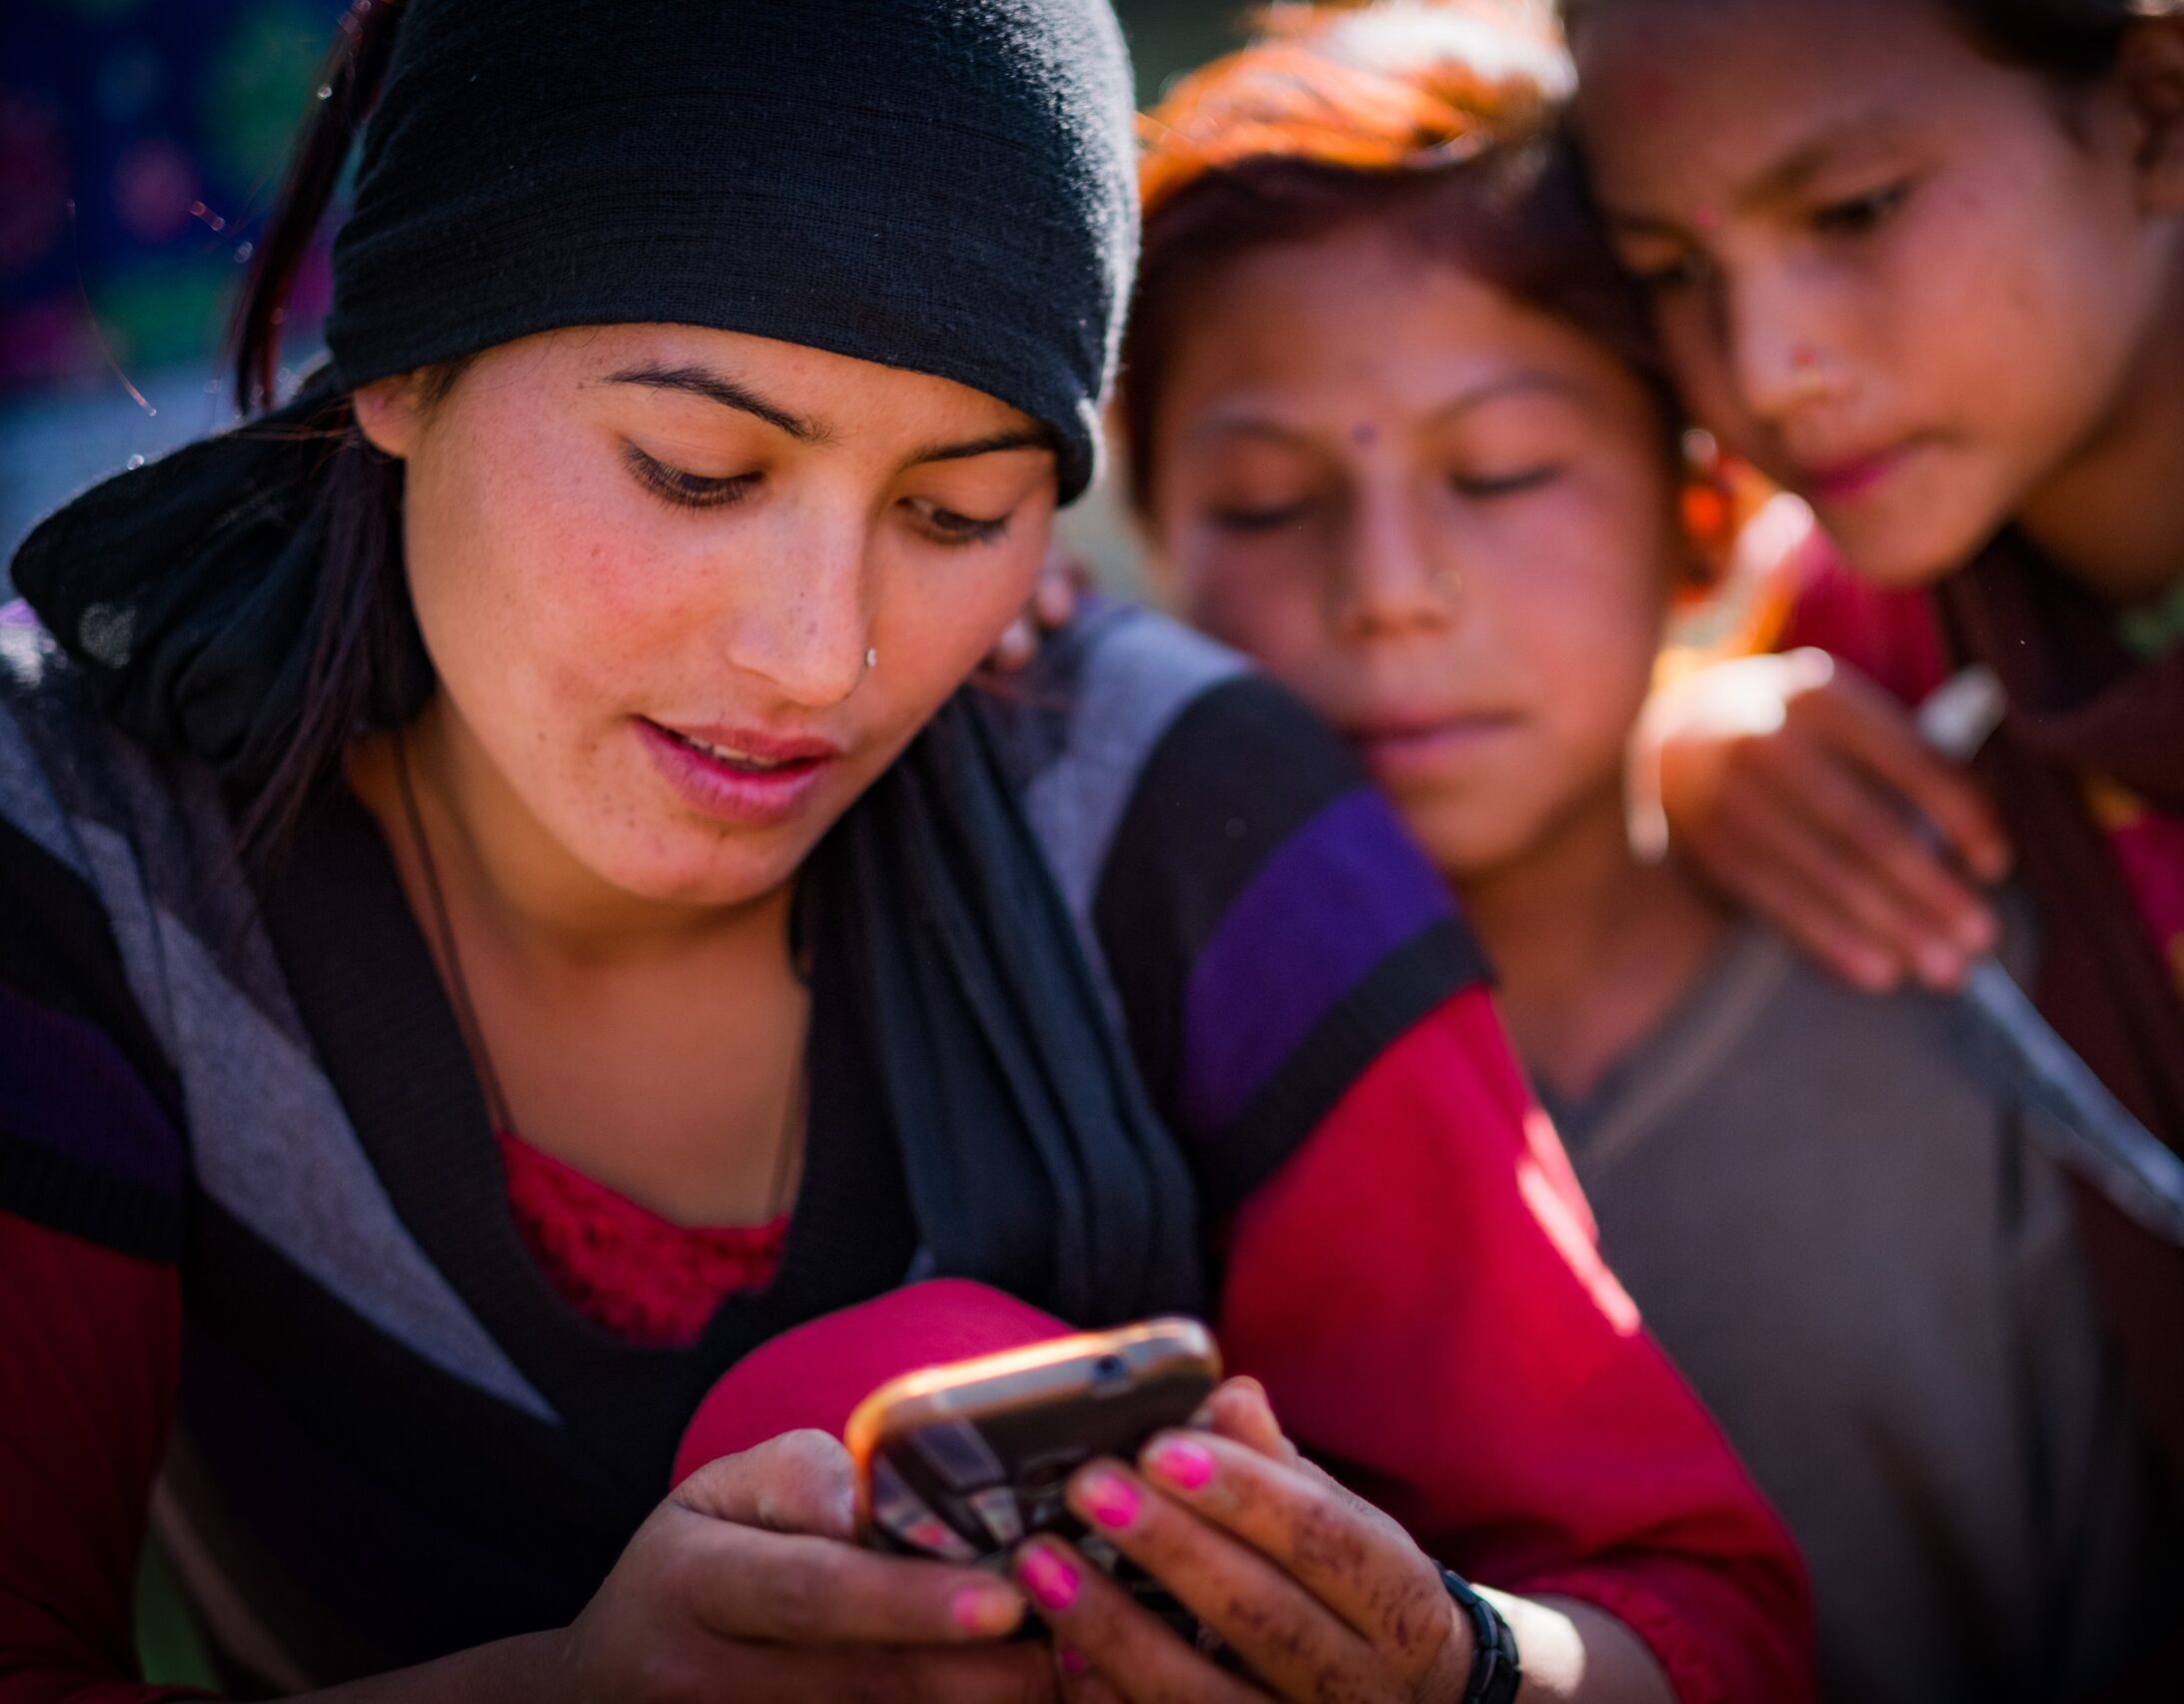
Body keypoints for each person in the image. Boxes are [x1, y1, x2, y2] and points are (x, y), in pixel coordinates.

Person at [0, 2, 1817, 1701]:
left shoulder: (1169, 805)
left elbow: (1699, 1609)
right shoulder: (77, 855)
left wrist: (1459, 1664)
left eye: (957, 511)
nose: (819, 656)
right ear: (401, 364)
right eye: (698, 470)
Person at [1117, 7, 2184, 1699]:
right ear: (1148, 533)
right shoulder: (1095, 1062)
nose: (1391, 585)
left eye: (1505, 470)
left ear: (1705, 509)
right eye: (1263, 502)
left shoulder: (1962, 1007)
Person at [1561, 0, 2184, 1691]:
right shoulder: (1858, 657)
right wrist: (1683, 744)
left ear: (2162, 106)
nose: (1763, 364)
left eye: (1856, 210)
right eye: (1672, 264)